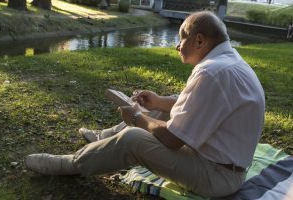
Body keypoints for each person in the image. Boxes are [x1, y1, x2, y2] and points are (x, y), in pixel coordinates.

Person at [25, 11, 265, 198]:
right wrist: (158, 102)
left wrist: (138, 119)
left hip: (216, 177)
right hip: (221, 164)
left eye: (181, 39)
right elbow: (193, 106)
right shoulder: (229, 61)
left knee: (133, 139)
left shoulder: (211, 72)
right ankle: (103, 138)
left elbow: (172, 139)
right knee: (170, 101)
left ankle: (71, 164)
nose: (177, 46)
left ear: (200, 40)